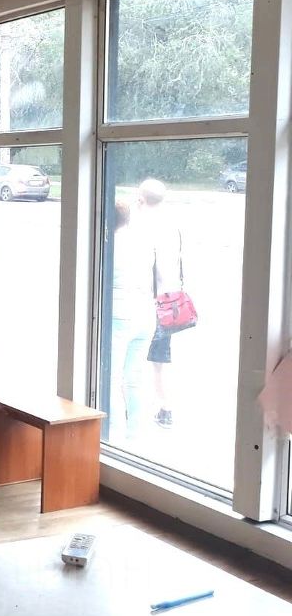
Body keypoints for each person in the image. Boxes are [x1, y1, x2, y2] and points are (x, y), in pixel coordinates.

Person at [133, 179, 184, 429]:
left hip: (148, 301)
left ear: (140, 198)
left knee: (134, 355)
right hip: (169, 302)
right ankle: (165, 408)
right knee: (159, 361)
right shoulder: (171, 225)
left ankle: (135, 408)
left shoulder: (140, 225)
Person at [108, 198, 154, 440]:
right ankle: (135, 435)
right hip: (145, 311)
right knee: (134, 377)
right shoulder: (141, 242)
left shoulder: (109, 245)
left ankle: (113, 436)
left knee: (111, 378)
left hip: (119, 313)